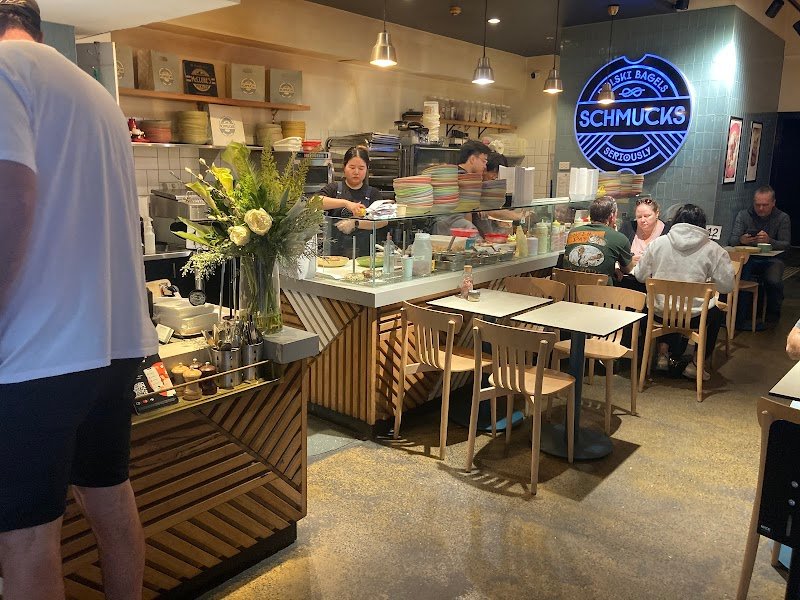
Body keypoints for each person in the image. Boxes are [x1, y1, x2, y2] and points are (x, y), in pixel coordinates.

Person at [0, 2, 158, 598]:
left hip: (36, 351)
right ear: (39, 30)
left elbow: (12, 200)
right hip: (113, 342)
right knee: (109, 496)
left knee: (26, 537)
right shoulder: (98, 97)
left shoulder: (3, 70)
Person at [635, 204, 734, 381]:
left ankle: (662, 354)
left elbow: (640, 276)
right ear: (702, 225)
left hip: (659, 314)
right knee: (717, 312)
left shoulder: (657, 244)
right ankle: (695, 364)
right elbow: (727, 287)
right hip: (695, 316)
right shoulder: (714, 250)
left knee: (660, 304)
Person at [728, 185, 791, 325]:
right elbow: (732, 240)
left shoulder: (782, 218)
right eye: (757, 205)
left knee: (773, 280)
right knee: (733, 275)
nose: (761, 208)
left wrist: (770, 241)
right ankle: (737, 314)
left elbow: (786, 245)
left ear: (773, 203)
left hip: (773, 259)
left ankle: (773, 313)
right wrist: (741, 240)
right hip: (747, 258)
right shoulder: (744, 215)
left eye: (765, 205)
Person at [318, 146, 386, 258]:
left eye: (361, 168)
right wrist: (346, 203)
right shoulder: (334, 188)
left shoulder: (373, 193)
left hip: (364, 256)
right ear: (344, 167)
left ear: (367, 169)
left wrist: (355, 223)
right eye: (352, 167)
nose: (356, 172)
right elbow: (315, 202)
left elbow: (383, 221)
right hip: (334, 255)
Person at [563, 195, 634, 284]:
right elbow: (627, 269)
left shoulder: (573, 232)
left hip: (570, 289)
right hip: (600, 291)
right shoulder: (619, 238)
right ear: (612, 216)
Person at [618, 196, 669, 291]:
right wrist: (628, 261)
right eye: (639, 217)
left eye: (647, 216)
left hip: (656, 285)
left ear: (657, 213)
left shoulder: (668, 232)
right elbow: (617, 252)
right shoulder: (628, 227)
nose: (642, 220)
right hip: (628, 282)